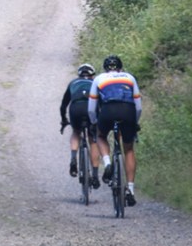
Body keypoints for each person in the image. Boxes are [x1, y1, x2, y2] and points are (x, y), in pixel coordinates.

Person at [87, 54, 142, 206]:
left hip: (108, 111)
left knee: (100, 136)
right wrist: (134, 122)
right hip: (128, 111)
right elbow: (138, 105)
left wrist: (94, 123)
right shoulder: (130, 78)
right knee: (129, 149)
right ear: (120, 68)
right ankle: (130, 190)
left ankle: (108, 163)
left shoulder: (99, 79)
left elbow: (92, 108)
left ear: (105, 69)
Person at [59, 63, 100, 188]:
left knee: (76, 132)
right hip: (90, 108)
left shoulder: (73, 83)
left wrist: (64, 119)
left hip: (75, 109)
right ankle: (95, 175)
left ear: (79, 75)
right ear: (92, 75)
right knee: (93, 140)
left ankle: (73, 158)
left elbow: (63, 105)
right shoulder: (96, 83)